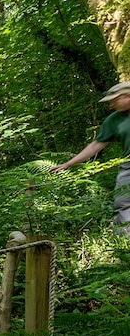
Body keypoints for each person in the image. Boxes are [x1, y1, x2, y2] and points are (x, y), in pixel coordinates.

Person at [50, 81, 130, 234]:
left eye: (114, 100)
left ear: (127, 96)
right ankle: (124, 245)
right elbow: (96, 145)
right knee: (122, 203)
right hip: (128, 166)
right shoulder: (113, 120)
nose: (111, 105)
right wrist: (68, 164)